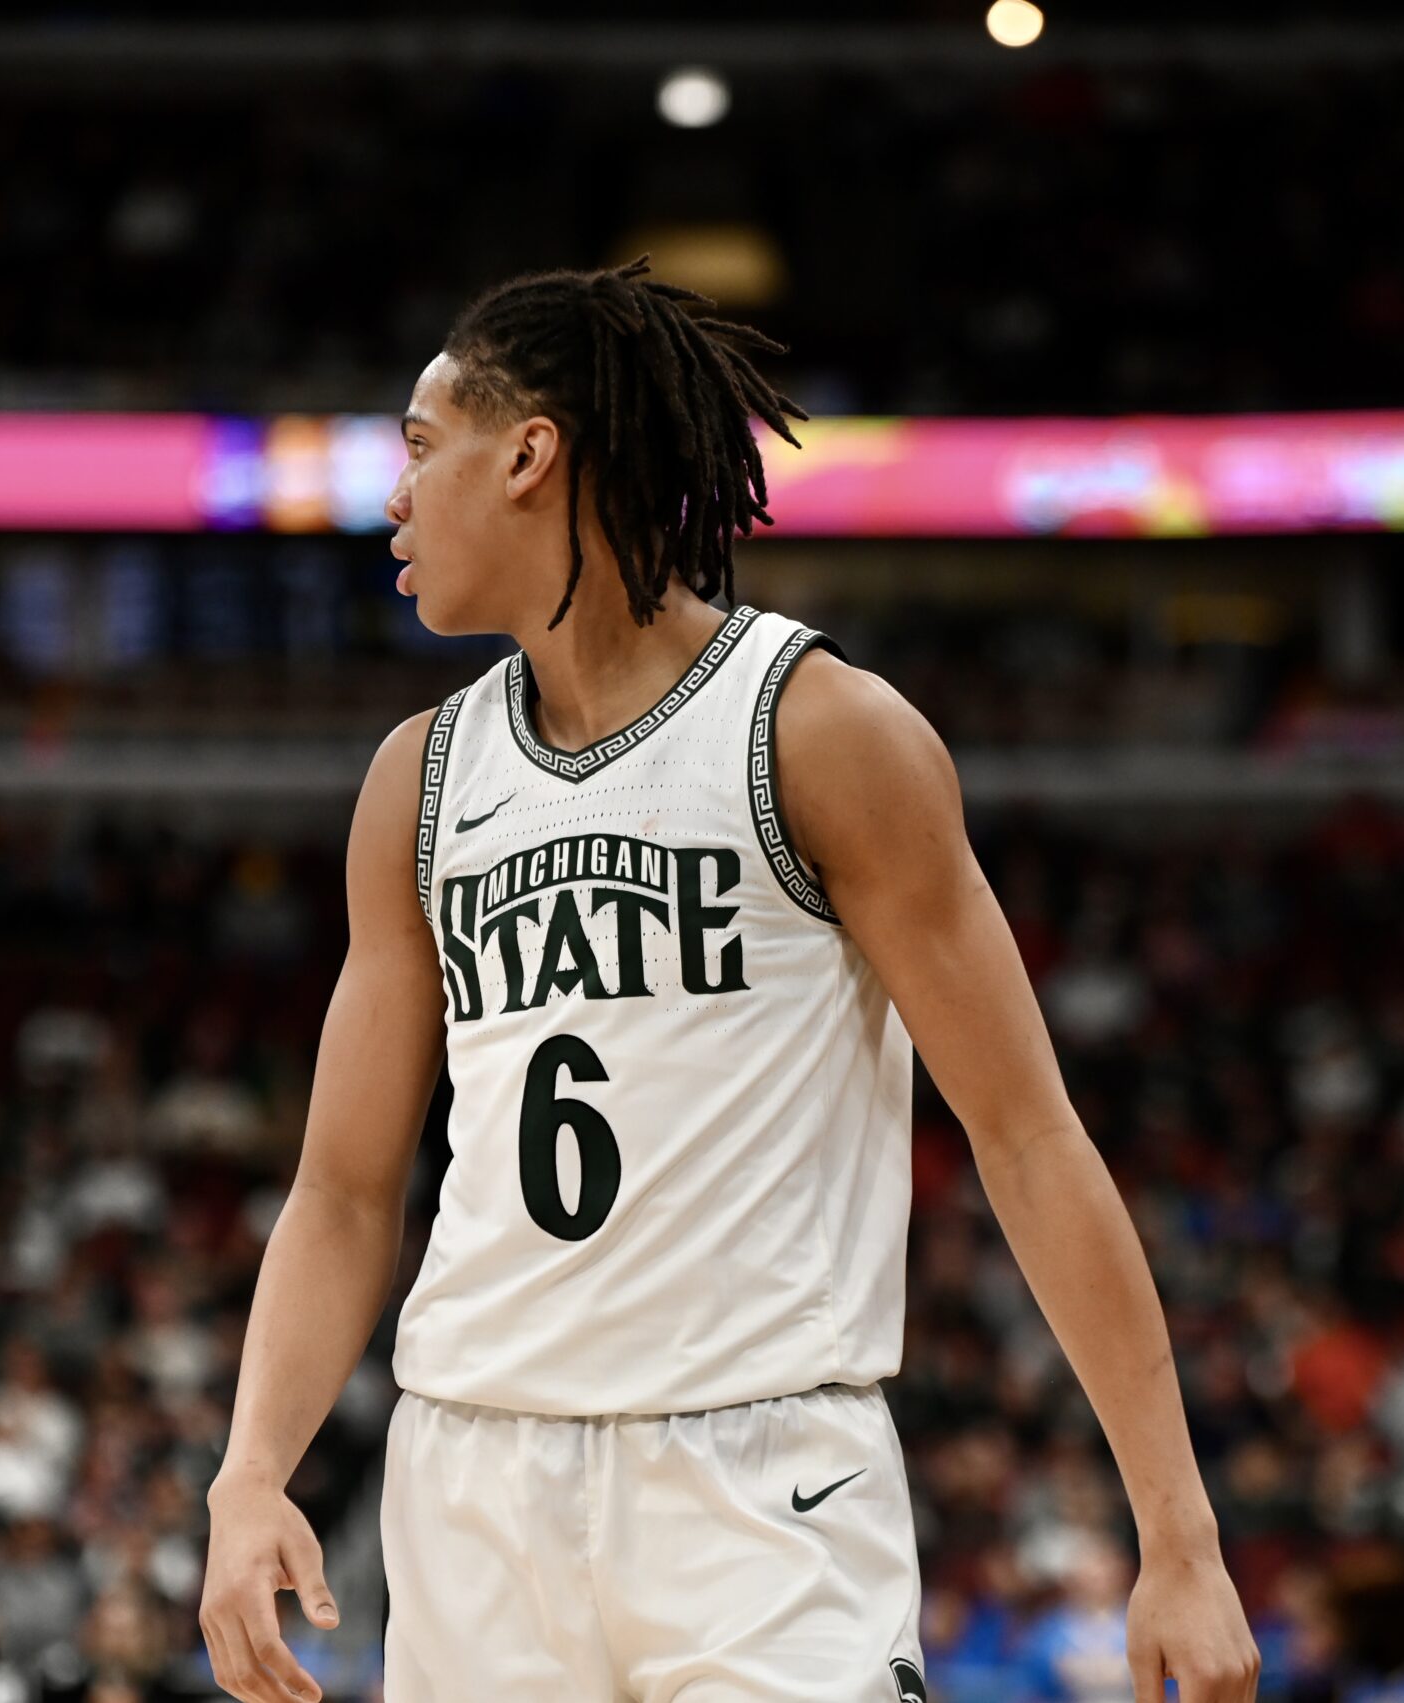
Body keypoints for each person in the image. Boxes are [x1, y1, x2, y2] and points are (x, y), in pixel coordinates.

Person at [194, 255, 1259, 1703]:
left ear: (528, 456)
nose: (395, 497)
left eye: (421, 448)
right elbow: (341, 1190)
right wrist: (250, 1470)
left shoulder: (820, 731)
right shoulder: (419, 779)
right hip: (471, 1481)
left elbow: (1027, 1135)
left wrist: (1180, 1533)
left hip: (763, 1480)